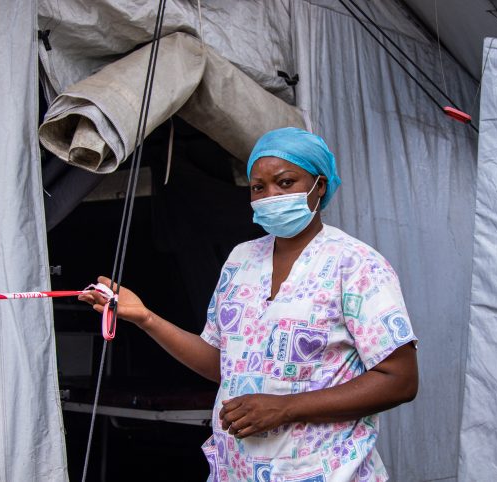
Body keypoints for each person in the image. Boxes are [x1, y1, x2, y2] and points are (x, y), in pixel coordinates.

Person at [79, 127, 418, 482]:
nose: (270, 195)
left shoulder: (356, 264)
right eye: (259, 187)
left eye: (285, 183)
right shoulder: (241, 260)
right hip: (237, 469)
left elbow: (400, 380)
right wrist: (145, 317)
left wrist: (286, 409)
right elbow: (221, 363)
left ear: (319, 186)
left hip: (326, 470)